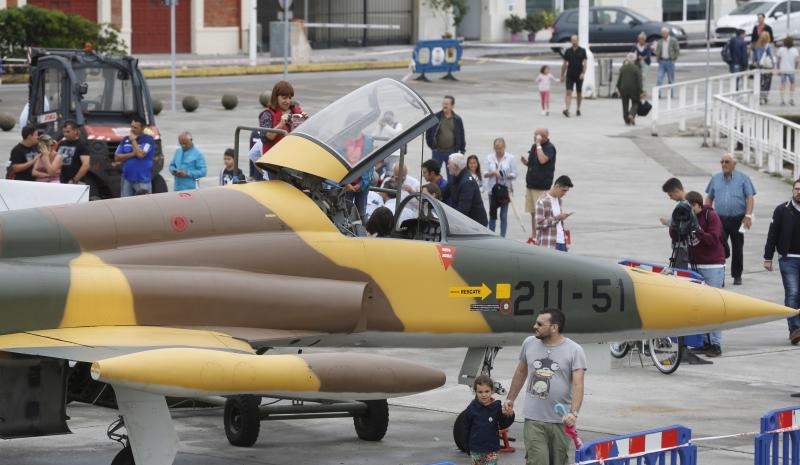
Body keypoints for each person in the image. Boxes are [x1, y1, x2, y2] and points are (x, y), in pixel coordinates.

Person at [503, 308, 586, 465]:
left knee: (559, 461)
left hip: (561, 421)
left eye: (540, 324)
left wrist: (573, 413)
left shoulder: (575, 350)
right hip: (534, 419)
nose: (535, 326)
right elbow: (521, 372)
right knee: (537, 461)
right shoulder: (529, 343)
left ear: (554, 327)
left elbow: (578, 384)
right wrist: (510, 399)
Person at [671, 191, 726, 358]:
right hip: (694, 264)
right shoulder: (687, 217)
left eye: (691, 207)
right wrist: (676, 222)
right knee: (699, 306)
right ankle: (703, 342)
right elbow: (676, 237)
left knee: (714, 305)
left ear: (698, 205)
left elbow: (713, 240)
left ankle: (715, 344)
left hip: (713, 266)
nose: (689, 210)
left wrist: (697, 229)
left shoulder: (711, 216)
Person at [705, 153, 756, 285]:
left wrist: (748, 216)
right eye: (721, 162)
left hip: (738, 219)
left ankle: (737, 275)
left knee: (738, 248)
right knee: (719, 247)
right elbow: (709, 197)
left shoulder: (743, 178)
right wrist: (707, 214)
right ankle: (719, 275)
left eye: (727, 162)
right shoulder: (715, 178)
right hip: (719, 219)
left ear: (734, 164)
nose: (723, 164)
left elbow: (750, 198)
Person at [763, 179, 800, 345]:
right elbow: (772, 234)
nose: (799, 192)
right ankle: (795, 330)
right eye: (796, 189)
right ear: (792, 190)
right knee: (792, 293)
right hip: (788, 258)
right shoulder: (782, 210)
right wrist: (768, 257)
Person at [252, 80, 306, 180]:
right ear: (275, 97)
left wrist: (306, 121)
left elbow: (302, 132)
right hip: (275, 165)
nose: (287, 101)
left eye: (290, 98)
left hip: (295, 162)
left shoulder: (295, 112)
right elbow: (266, 138)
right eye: (284, 98)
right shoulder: (267, 115)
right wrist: (280, 125)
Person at [464, 374, 515, 465]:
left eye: (487, 391)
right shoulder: (471, 409)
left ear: (492, 391)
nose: (484, 395)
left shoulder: (496, 407)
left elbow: (503, 424)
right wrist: (467, 447)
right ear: (475, 392)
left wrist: (510, 414)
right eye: (480, 392)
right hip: (476, 449)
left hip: (492, 449)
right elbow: (465, 429)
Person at [521, 128, 556, 244]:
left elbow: (542, 160)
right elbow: (534, 163)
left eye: (537, 135)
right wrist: (527, 163)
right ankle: (534, 235)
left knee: (540, 213)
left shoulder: (549, 148)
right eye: (534, 135)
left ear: (544, 137)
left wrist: (538, 144)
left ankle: (540, 236)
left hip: (541, 186)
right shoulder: (534, 147)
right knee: (533, 212)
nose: (535, 137)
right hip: (531, 184)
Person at [425, 95, 466, 179]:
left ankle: (450, 188)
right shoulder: (436, 117)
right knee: (434, 175)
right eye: (443, 103)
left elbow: (461, 134)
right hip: (437, 151)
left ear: (452, 106)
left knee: (452, 176)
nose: (444, 105)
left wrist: (462, 149)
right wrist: (432, 146)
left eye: (447, 104)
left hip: (451, 152)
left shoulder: (457, 119)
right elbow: (428, 132)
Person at [115, 116, 156, 197]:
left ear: (143, 128)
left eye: (135, 128)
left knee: (144, 203)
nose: (132, 129)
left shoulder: (148, 140)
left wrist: (133, 140)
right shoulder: (125, 139)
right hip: (126, 179)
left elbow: (140, 155)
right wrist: (133, 154)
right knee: (125, 203)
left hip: (142, 180)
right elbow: (117, 157)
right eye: (132, 127)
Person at [484, 138, 517, 237]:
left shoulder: (510, 158)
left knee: (503, 215)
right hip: (493, 190)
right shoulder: (489, 158)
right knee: (492, 215)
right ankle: (491, 236)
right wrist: (493, 173)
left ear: (504, 147)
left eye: (500, 148)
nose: (498, 150)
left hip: (504, 190)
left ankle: (503, 237)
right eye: (496, 148)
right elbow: (484, 173)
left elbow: (515, 174)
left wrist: (504, 175)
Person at [447, 153, 488, 227]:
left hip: (476, 225)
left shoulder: (467, 183)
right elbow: (443, 193)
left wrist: (448, 218)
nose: (447, 166)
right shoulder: (455, 177)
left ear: (456, 166)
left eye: (449, 164)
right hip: (467, 222)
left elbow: (463, 209)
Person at [535, 175, 573, 252]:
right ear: (556, 186)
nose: (564, 193)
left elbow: (558, 224)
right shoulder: (542, 201)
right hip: (549, 244)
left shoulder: (559, 201)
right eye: (563, 190)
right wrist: (557, 218)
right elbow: (539, 224)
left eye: (566, 191)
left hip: (562, 243)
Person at [560, 35, 587, 117]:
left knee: (579, 92)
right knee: (568, 91)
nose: (574, 42)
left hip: (579, 75)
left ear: (578, 40)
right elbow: (564, 64)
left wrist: (583, 73)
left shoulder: (582, 51)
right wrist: (562, 75)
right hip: (570, 74)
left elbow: (585, 64)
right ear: (571, 41)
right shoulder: (568, 51)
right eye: (572, 40)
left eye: (575, 40)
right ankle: (567, 109)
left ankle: (578, 109)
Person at [57, 120, 91, 186]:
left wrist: (74, 180)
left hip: (76, 183)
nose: (65, 134)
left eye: (68, 131)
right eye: (64, 132)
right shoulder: (61, 143)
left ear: (75, 131)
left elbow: (86, 165)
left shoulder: (81, 145)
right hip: (61, 182)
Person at [616, 52, 643, 126]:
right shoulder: (636, 69)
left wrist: (618, 88)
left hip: (623, 89)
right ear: (635, 59)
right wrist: (641, 91)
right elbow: (639, 81)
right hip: (634, 90)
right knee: (636, 102)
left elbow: (619, 80)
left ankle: (626, 120)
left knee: (625, 104)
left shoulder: (623, 68)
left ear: (627, 59)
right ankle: (631, 114)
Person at [655, 27, 680, 98]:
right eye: (662, 33)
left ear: (667, 33)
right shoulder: (660, 41)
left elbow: (677, 50)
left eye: (664, 33)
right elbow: (657, 51)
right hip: (662, 61)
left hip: (670, 61)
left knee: (671, 79)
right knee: (659, 78)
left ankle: (671, 94)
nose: (663, 35)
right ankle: (658, 94)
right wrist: (658, 59)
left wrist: (674, 59)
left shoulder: (673, 40)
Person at [754, 31, 775, 104]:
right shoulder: (767, 46)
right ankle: (764, 96)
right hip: (767, 66)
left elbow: (756, 57)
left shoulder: (757, 46)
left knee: (760, 82)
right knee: (767, 82)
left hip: (759, 66)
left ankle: (759, 97)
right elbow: (770, 56)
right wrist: (773, 64)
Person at [777, 37, 799, 106]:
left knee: (782, 84)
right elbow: (797, 61)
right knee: (792, 83)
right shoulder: (795, 50)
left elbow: (778, 60)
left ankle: (782, 100)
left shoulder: (781, 49)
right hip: (791, 69)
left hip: (783, 69)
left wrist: (778, 68)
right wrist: (795, 68)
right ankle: (791, 98)